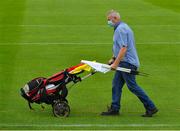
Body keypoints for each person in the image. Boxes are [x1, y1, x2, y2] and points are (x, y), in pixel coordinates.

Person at [101, 10, 158, 117]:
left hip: (127, 63)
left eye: (109, 20)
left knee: (132, 86)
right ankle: (115, 108)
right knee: (116, 85)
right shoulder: (123, 27)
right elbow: (119, 47)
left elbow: (123, 48)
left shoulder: (120, 30)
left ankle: (151, 107)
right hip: (124, 62)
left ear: (115, 18)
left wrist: (115, 64)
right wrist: (113, 58)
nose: (108, 22)